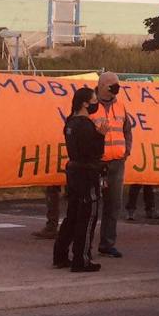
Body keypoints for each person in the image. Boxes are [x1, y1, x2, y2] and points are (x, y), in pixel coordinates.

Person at [53, 86, 105, 273]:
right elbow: (93, 152)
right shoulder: (85, 124)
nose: (95, 104)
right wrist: (101, 136)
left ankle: (60, 254)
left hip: (74, 172)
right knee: (87, 216)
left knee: (73, 215)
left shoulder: (70, 122)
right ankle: (81, 259)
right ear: (85, 103)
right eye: (93, 101)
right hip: (86, 173)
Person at [93, 71, 135, 258]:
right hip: (96, 164)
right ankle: (84, 244)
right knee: (92, 204)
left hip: (117, 163)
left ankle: (107, 243)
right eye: (113, 87)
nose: (116, 91)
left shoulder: (121, 106)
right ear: (102, 86)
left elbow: (127, 130)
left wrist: (126, 151)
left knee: (113, 205)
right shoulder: (91, 106)